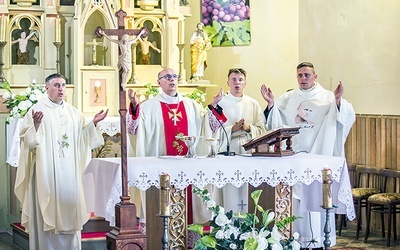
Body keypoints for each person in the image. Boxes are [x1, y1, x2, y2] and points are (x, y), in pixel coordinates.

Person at [260, 62, 355, 249]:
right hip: (294, 160)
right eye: (300, 75)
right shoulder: (288, 98)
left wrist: (337, 101)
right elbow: (275, 122)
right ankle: (295, 240)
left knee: (316, 201)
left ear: (315, 76)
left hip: (319, 157)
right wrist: (271, 103)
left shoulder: (327, 97)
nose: (303, 79)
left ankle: (317, 240)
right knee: (295, 202)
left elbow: (345, 116)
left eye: (307, 75)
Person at [14, 73, 108, 250]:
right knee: (46, 214)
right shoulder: (36, 110)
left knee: (70, 213)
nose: (61, 89)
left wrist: (93, 124)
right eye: (56, 85)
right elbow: (29, 144)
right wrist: (34, 126)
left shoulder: (73, 112)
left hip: (70, 175)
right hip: (46, 173)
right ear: (46, 88)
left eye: (63, 85)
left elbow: (83, 139)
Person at [127, 67, 218, 224]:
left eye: (174, 76)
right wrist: (135, 107)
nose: (172, 79)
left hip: (187, 166)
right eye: (167, 76)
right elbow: (133, 130)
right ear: (159, 82)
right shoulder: (148, 107)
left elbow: (208, 126)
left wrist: (213, 108)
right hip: (160, 168)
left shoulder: (192, 105)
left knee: (188, 202)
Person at [208, 68, 266, 213]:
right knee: (230, 188)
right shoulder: (221, 103)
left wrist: (248, 128)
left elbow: (263, 131)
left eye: (240, 80)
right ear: (228, 82)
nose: (237, 83)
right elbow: (211, 131)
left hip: (249, 149)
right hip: (228, 149)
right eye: (234, 79)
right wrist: (231, 130)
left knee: (248, 188)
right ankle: (227, 222)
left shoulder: (253, 104)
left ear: (245, 83)